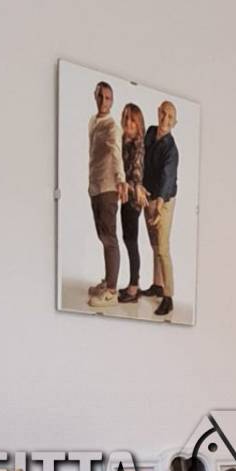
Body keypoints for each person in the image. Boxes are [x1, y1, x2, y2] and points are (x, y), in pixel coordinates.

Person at [141, 100, 180, 319]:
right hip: (147, 196)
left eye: (170, 117)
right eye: (163, 113)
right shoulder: (150, 132)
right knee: (154, 244)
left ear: (175, 123)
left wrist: (158, 204)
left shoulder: (171, 150)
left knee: (163, 248)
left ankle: (168, 296)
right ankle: (157, 285)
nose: (165, 119)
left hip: (163, 201)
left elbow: (167, 178)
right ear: (158, 112)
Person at [85, 80, 122, 306]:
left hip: (108, 188)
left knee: (110, 239)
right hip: (95, 187)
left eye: (108, 98)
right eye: (100, 96)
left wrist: (121, 181)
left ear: (112, 101)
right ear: (95, 95)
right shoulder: (93, 121)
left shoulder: (112, 127)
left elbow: (116, 154)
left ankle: (112, 291)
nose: (103, 101)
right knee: (102, 236)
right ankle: (108, 280)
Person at [116, 102, 146, 302]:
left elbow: (136, 171)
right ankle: (132, 283)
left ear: (138, 124)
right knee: (127, 239)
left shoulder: (137, 145)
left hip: (134, 198)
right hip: (125, 196)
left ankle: (134, 288)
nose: (128, 123)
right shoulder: (123, 140)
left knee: (131, 241)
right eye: (126, 118)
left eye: (133, 120)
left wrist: (130, 185)